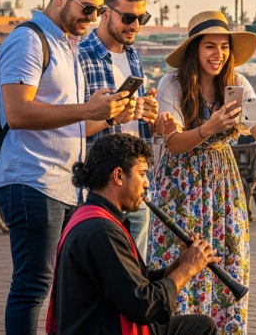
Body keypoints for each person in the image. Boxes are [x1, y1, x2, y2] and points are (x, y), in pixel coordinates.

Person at [0, 0, 133, 335]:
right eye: (87, 8)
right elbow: (17, 112)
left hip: (62, 184)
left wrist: (109, 115)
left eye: (98, 10)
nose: (92, 17)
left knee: (61, 286)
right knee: (32, 286)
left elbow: (71, 123)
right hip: (31, 179)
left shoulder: (68, 45)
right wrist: (88, 108)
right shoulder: (28, 40)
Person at [148, 11, 256, 334]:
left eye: (224, 47)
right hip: (180, 184)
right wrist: (208, 127)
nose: (218, 54)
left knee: (228, 257)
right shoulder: (172, 84)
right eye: (209, 46)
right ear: (195, 50)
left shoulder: (237, 84)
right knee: (178, 258)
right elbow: (174, 143)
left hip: (222, 183)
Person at [49, 133, 217, 335]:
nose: (147, 183)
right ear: (118, 176)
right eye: (142, 174)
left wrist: (180, 263)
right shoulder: (102, 231)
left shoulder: (91, 215)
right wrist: (187, 269)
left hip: (105, 323)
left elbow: (132, 282)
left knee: (202, 325)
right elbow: (144, 306)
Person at [78, 0, 158, 261]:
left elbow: (134, 118)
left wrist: (148, 112)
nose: (135, 25)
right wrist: (114, 117)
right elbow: (73, 127)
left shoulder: (134, 56)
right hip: (100, 190)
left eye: (141, 18)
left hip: (135, 183)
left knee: (136, 271)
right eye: (127, 17)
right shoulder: (81, 56)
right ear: (105, 12)